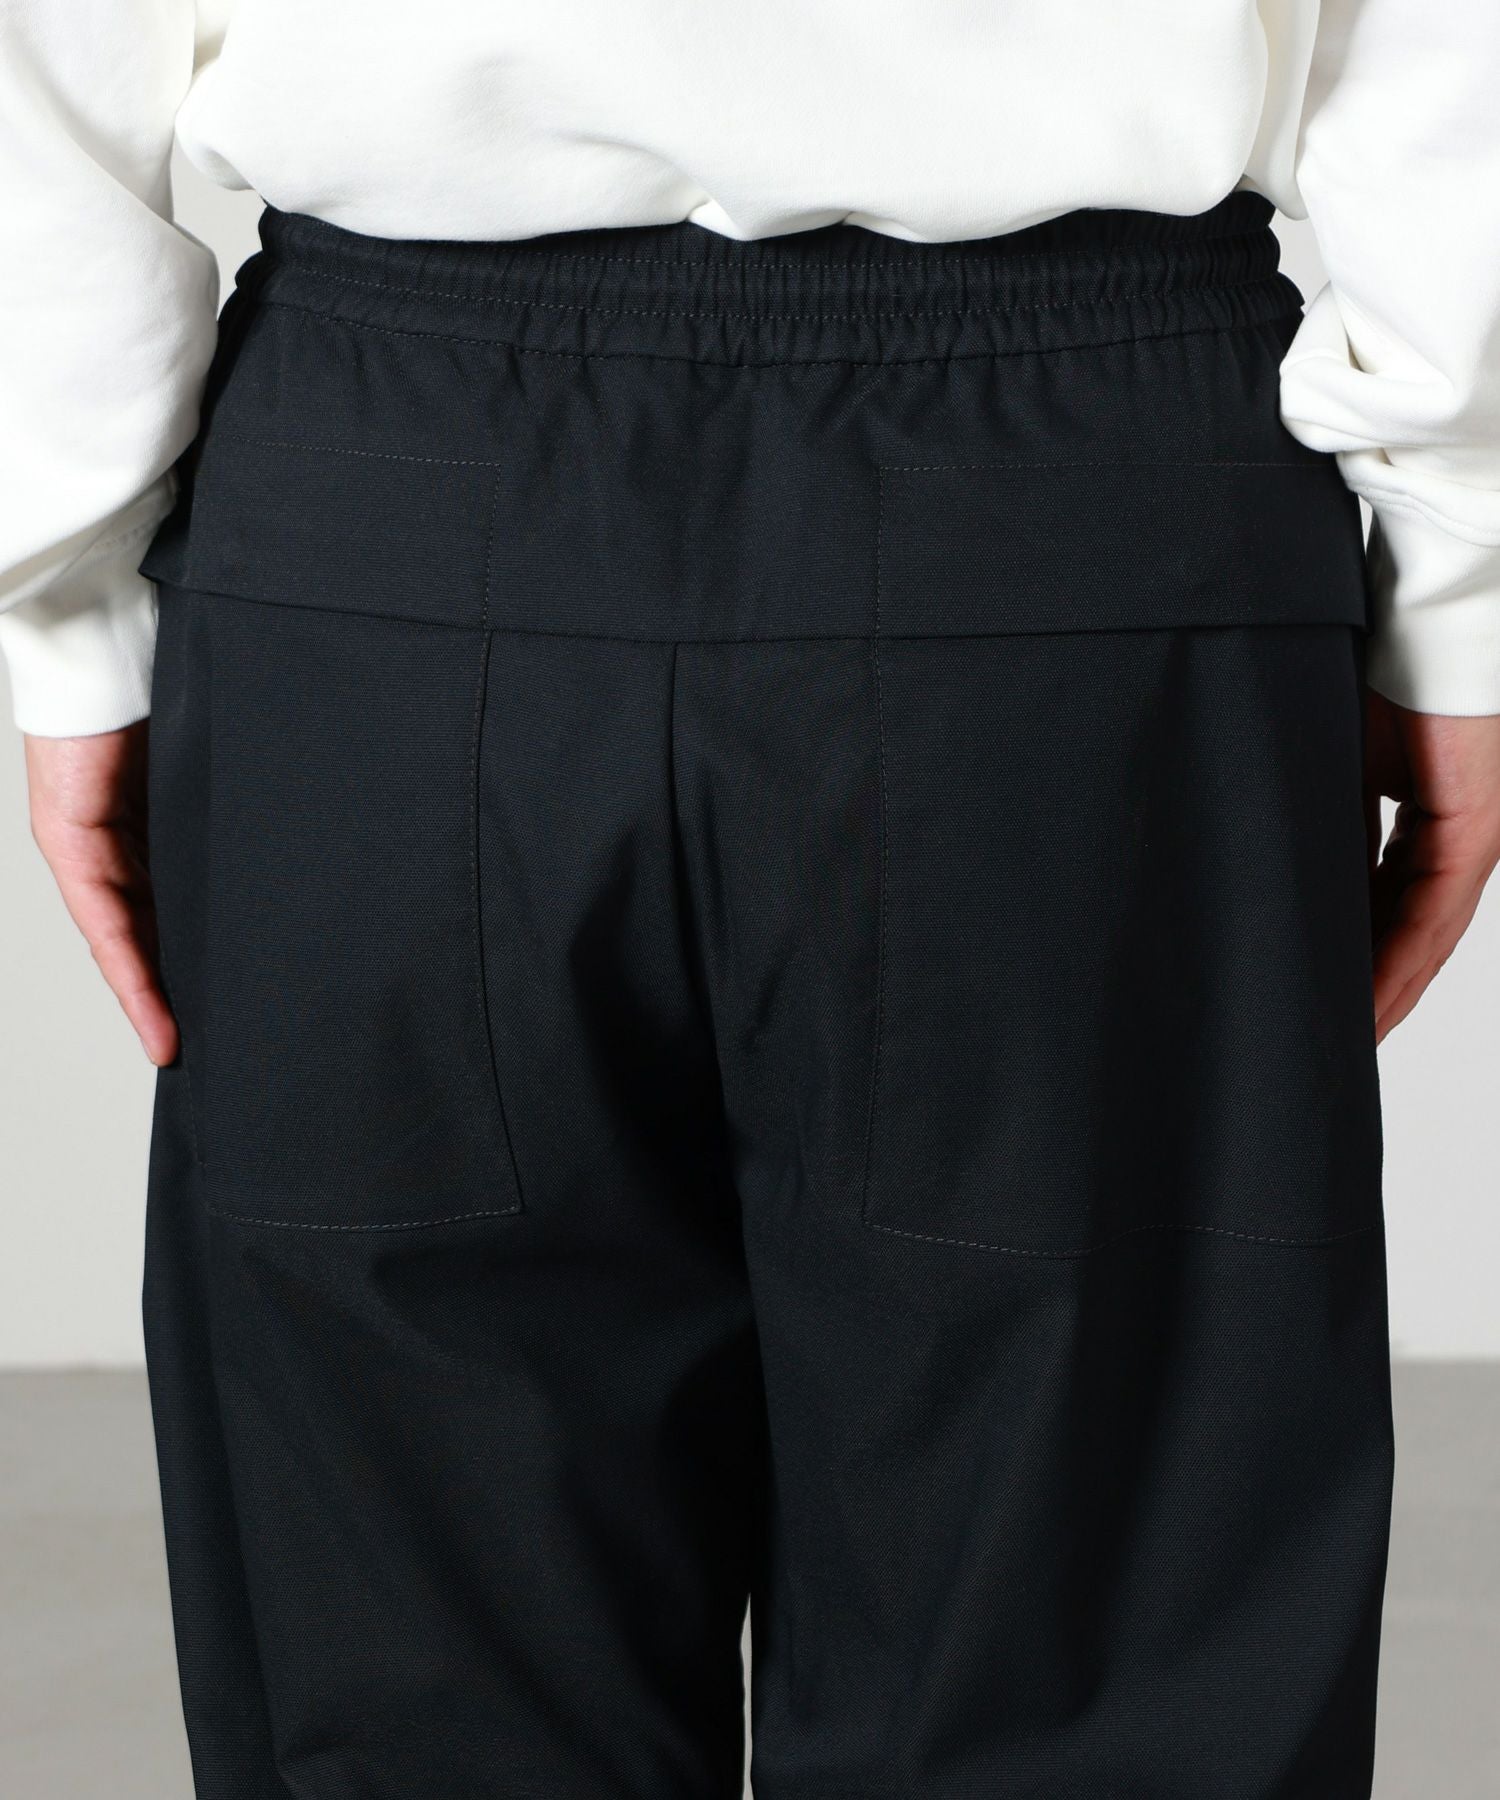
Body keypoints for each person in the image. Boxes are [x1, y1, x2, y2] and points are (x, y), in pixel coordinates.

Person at [4, 4, 1499, 1795]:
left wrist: (67, 605)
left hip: (401, 522)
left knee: (410, 1660)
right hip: (1079, 527)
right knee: (1095, 1653)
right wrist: (1464, 571)